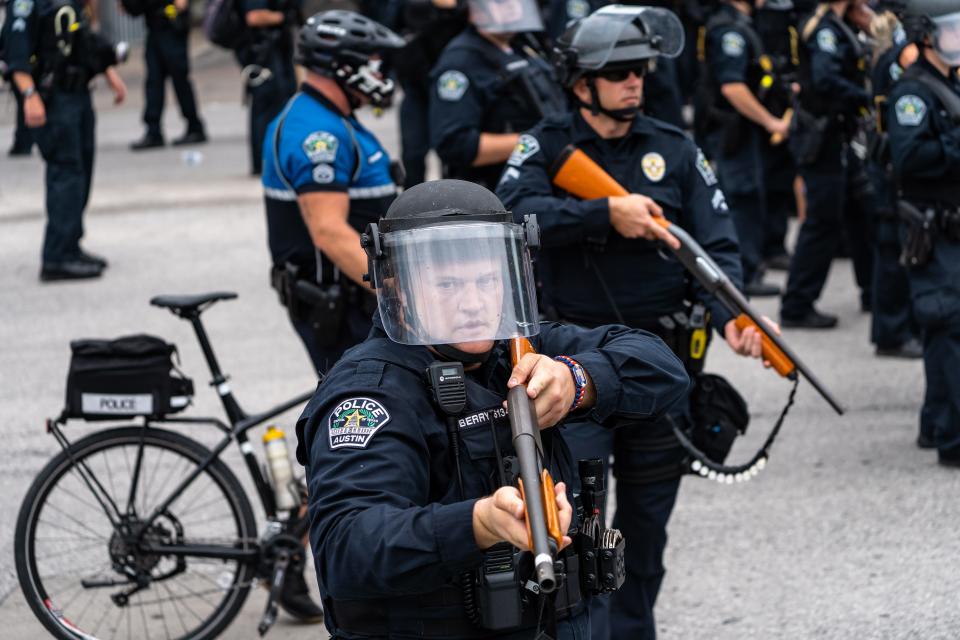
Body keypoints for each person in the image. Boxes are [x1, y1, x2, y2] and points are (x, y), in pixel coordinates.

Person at [296, 178, 691, 639]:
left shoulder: (519, 347)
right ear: (397, 288)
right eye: (447, 284)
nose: (473, 303)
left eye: (488, 281)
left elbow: (662, 367)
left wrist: (577, 380)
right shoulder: (371, 394)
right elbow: (346, 548)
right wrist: (478, 523)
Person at [496, 6, 774, 638]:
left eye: (640, 70)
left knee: (646, 534)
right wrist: (603, 214)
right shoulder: (545, 145)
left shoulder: (674, 148)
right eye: (617, 71)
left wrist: (733, 317)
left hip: (658, 370)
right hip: (572, 374)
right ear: (580, 83)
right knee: (579, 534)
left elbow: (717, 247)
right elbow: (511, 220)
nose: (634, 82)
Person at [262, 9, 403, 375]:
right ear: (344, 68)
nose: (381, 75)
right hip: (343, 308)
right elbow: (329, 231)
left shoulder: (333, 117)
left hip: (354, 299)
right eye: (374, 64)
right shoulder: (316, 134)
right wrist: (403, 297)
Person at [886, 0, 960, 465]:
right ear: (926, 36)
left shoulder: (948, 84)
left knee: (945, 328)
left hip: (951, 225)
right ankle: (953, 439)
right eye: (952, 31)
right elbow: (910, 157)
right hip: (932, 229)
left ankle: (936, 423)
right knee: (947, 324)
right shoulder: (912, 94)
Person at [4, 0, 126, 281]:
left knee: (81, 170)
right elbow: (16, 51)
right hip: (52, 98)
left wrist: (108, 72)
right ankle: (56, 257)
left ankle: (70, 244)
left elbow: (80, 41)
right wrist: (29, 95)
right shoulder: (25, 3)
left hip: (78, 94)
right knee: (66, 173)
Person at [779, 0, 876, 328]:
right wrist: (866, 97)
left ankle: (873, 290)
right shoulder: (824, 29)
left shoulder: (838, 22)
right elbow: (825, 79)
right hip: (823, 138)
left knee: (859, 213)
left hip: (836, 135)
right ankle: (796, 305)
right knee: (822, 222)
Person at [699, 0, 790, 296]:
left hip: (742, 131)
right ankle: (742, 277)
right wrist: (770, 122)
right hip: (731, 131)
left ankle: (750, 269)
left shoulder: (743, 24)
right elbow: (732, 87)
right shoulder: (730, 30)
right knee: (741, 201)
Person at [429, 0, 567, 191]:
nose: (512, 5)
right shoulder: (460, 61)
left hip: (540, 180)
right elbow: (454, 144)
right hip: (495, 191)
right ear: (475, 9)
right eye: (501, 2)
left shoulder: (523, 46)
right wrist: (536, 142)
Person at [865, 8, 921, 359]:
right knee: (892, 254)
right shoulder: (903, 55)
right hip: (890, 169)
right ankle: (891, 333)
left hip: (889, 166)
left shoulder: (898, 49)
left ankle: (898, 328)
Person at [384, 0, 467, 188]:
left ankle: (455, 203)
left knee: (453, 153)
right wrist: (384, 72)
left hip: (456, 87)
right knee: (413, 153)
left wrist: (453, 8)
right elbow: (392, 32)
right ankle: (412, 206)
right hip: (417, 86)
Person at [128, 0, 206, 150]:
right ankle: (153, 131)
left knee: (180, 80)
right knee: (153, 82)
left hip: (172, 27)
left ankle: (194, 127)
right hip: (154, 28)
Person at [238, 0, 297, 174]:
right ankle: (266, 163)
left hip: (272, 49)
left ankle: (271, 162)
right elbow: (255, 17)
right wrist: (284, 17)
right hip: (262, 52)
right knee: (268, 108)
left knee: (277, 106)